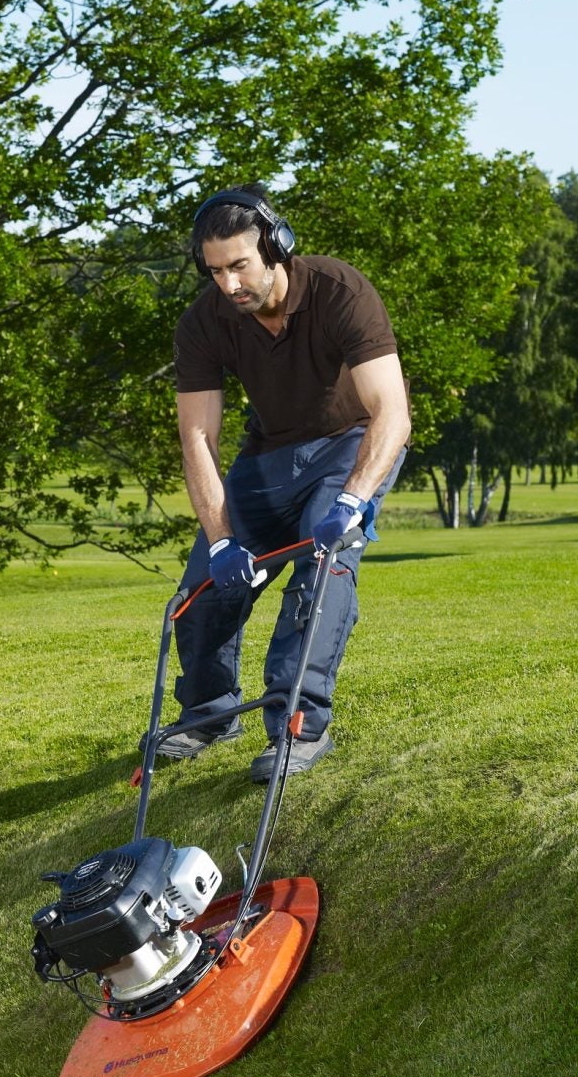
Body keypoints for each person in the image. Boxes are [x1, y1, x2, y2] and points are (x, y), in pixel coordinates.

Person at [162, 186, 411, 781]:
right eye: (215, 270)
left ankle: (299, 727)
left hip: (352, 443)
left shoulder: (338, 291)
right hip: (269, 456)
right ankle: (209, 714)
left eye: (239, 266)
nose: (227, 285)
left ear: (276, 247)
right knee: (201, 593)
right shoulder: (205, 322)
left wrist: (351, 501)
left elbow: (393, 415)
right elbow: (198, 439)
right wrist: (221, 540)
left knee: (324, 569)